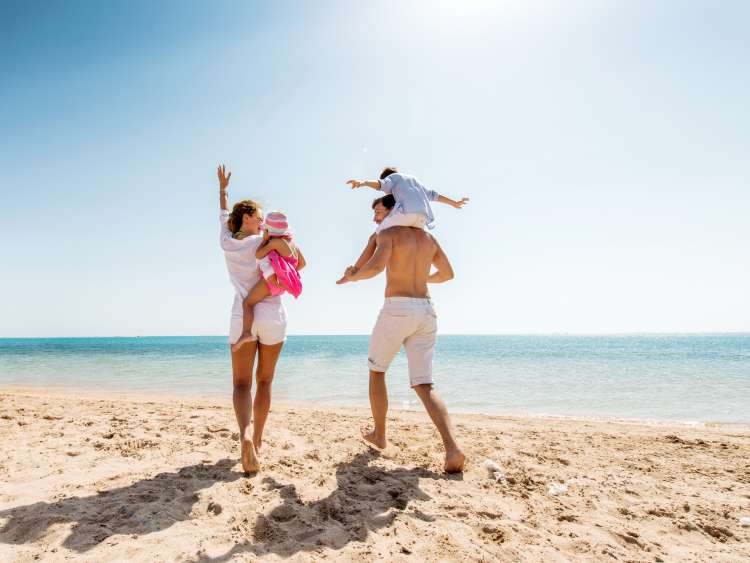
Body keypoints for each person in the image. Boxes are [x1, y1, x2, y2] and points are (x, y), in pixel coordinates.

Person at [337, 201, 466, 473]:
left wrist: (354, 276)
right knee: (424, 384)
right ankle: (453, 448)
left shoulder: (389, 234)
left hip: (398, 308)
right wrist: (419, 275)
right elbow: (448, 274)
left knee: (377, 371)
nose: (375, 218)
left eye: (379, 212)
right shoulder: (428, 238)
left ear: (395, 210)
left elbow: (374, 268)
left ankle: (380, 434)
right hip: (426, 310)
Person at [217, 165, 305, 473]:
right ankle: (258, 440)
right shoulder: (264, 241)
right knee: (264, 381)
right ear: (247, 218)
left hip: (241, 313)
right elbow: (298, 261)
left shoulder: (227, 242)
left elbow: (223, 216)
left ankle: (244, 436)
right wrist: (280, 235)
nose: (262, 220)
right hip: (273, 314)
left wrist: (223, 189)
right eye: (258, 216)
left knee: (241, 384)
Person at [232, 211, 305, 353]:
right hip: (280, 286)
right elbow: (302, 264)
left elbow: (258, 255)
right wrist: (286, 273)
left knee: (248, 303)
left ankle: (246, 332)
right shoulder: (293, 245)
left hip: (270, 283)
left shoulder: (275, 242)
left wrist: (265, 240)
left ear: (269, 230)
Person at [346, 167, 469, 232]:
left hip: (408, 214)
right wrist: (454, 203)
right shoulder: (414, 180)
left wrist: (363, 183)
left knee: (378, 233)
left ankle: (358, 269)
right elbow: (433, 195)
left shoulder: (393, 178)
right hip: (423, 219)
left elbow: (380, 184)